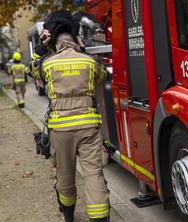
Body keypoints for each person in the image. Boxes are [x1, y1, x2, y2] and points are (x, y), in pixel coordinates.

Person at [30, 10, 109, 222]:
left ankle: (69, 216)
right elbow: (104, 75)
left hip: (61, 130)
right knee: (94, 174)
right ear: (75, 37)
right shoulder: (89, 62)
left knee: (65, 177)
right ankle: (100, 217)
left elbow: (33, 69)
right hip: (89, 128)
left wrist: (42, 46)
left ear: (54, 40)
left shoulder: (47, 63)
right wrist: (83, 50)